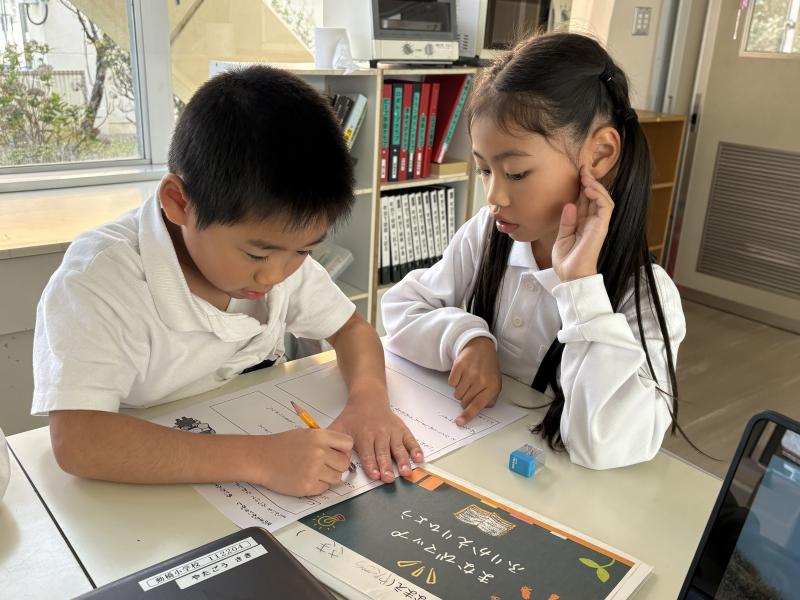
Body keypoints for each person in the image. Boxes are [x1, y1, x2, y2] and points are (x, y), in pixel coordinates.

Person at [33, 66, 423, 497]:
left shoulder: (276, 249)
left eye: (303, 251)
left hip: (247, 437)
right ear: (179, 202)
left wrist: (369, 400)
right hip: (140, 487)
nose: (274, 276)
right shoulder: (99, 281)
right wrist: (261, 459)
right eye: (256, 255)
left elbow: (351, 330)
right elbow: (79, 440)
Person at [381, 32, 686, 470]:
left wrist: (581, 287)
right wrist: (467, 338)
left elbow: (604, 445)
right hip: (478, 466)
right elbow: (400, 309)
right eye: (484, 170)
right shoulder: (487, 235)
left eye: (517, 173)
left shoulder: (646, 294)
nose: (494, 196)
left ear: (599, 154)